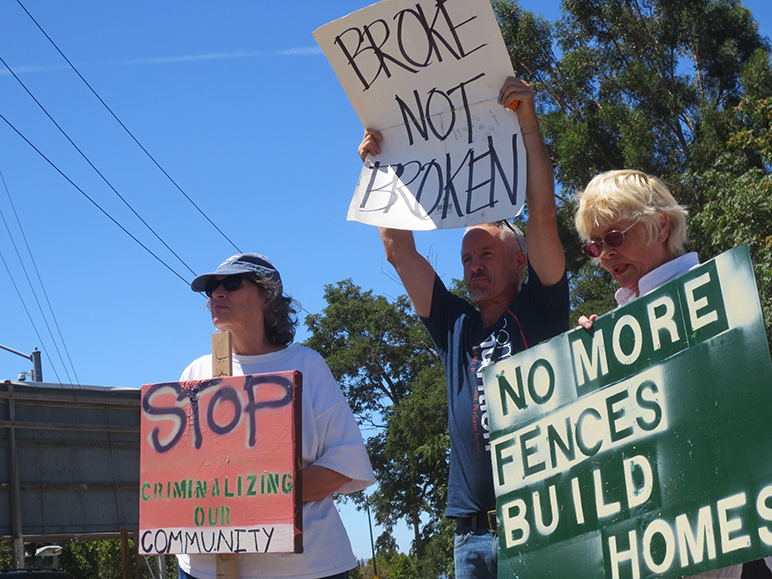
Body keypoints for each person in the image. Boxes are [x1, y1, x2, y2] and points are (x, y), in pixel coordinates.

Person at [359, 77, 569, 579]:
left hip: (547, 522)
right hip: (471, 536)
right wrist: (378, 166)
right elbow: (398, 250)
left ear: (520, 261)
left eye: (486, 254)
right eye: (467, 258)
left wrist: (526, 121)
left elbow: (541, 214)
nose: (473, 266)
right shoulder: (453, 324)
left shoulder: (543, 307)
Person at [574, 169, 744, 579]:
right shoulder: (617, 324)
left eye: (615, 238)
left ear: (661, 224)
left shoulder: (720, 293)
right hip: (660, 529)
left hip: (726, 524)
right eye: (595, 246)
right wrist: (595, 361)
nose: (606, 254)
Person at [177, 253, 375, 579]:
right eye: (212, 287)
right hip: (204, 568)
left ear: (267, 295)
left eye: (232, 283)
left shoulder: (307, 366)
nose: (217, 293)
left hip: (306, 568)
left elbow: (344, 464)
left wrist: (253, 496)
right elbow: (176, 474)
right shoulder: (196, 373)